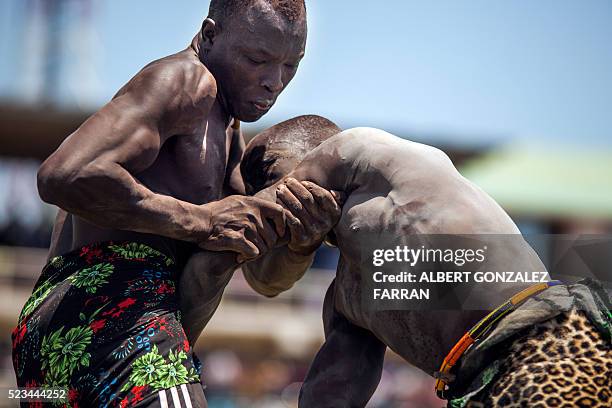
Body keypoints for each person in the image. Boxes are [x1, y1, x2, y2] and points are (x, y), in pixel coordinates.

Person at [11, 2, 340, 407]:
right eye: (258, 59)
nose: (274, 80)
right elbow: (64, 174)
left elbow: (263, 278)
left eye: (292, 65)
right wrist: (199, 220)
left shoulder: (226, 129)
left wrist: (303, 240)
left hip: (61, 336)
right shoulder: (185, 81)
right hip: (111, 317)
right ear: (210, 34)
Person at [188, 115, 609, 407]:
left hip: (552, 343)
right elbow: (332, 391)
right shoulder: (350, 297)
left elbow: (253, 244)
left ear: (312, 152)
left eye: (275, 177)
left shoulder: (370, 152)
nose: (280, 197)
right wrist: (297, 245)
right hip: (486, 382)